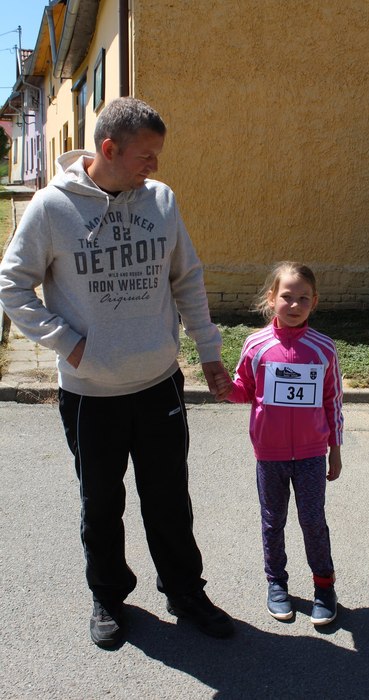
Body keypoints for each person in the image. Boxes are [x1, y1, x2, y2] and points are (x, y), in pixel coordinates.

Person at [0, 97, 234, 646]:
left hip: (158, 383)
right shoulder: (52, 208)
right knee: (101, 503)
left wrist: (209, 352)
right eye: (145, 155)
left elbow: (187, 279)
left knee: (169, 499)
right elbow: (12, 285)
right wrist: (69, 344)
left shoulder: (161, 201)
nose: (155, 165)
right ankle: (107, 596)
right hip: (91, 393)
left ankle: (185, 590)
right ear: (109, 149)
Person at [215, 261, 343, 625]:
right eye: (287, 296)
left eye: (303, 298)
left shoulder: (323, 348)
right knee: (273, 521)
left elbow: (332, 400)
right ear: (272, 298)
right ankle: (276, 584)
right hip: (269, 454)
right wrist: (226, 389)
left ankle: (324, 586)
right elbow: (245, 390)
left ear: (314, 302)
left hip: (311, 454)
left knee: (313, 521)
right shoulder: (256, 345)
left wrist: (335, 449)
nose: (295, 304)